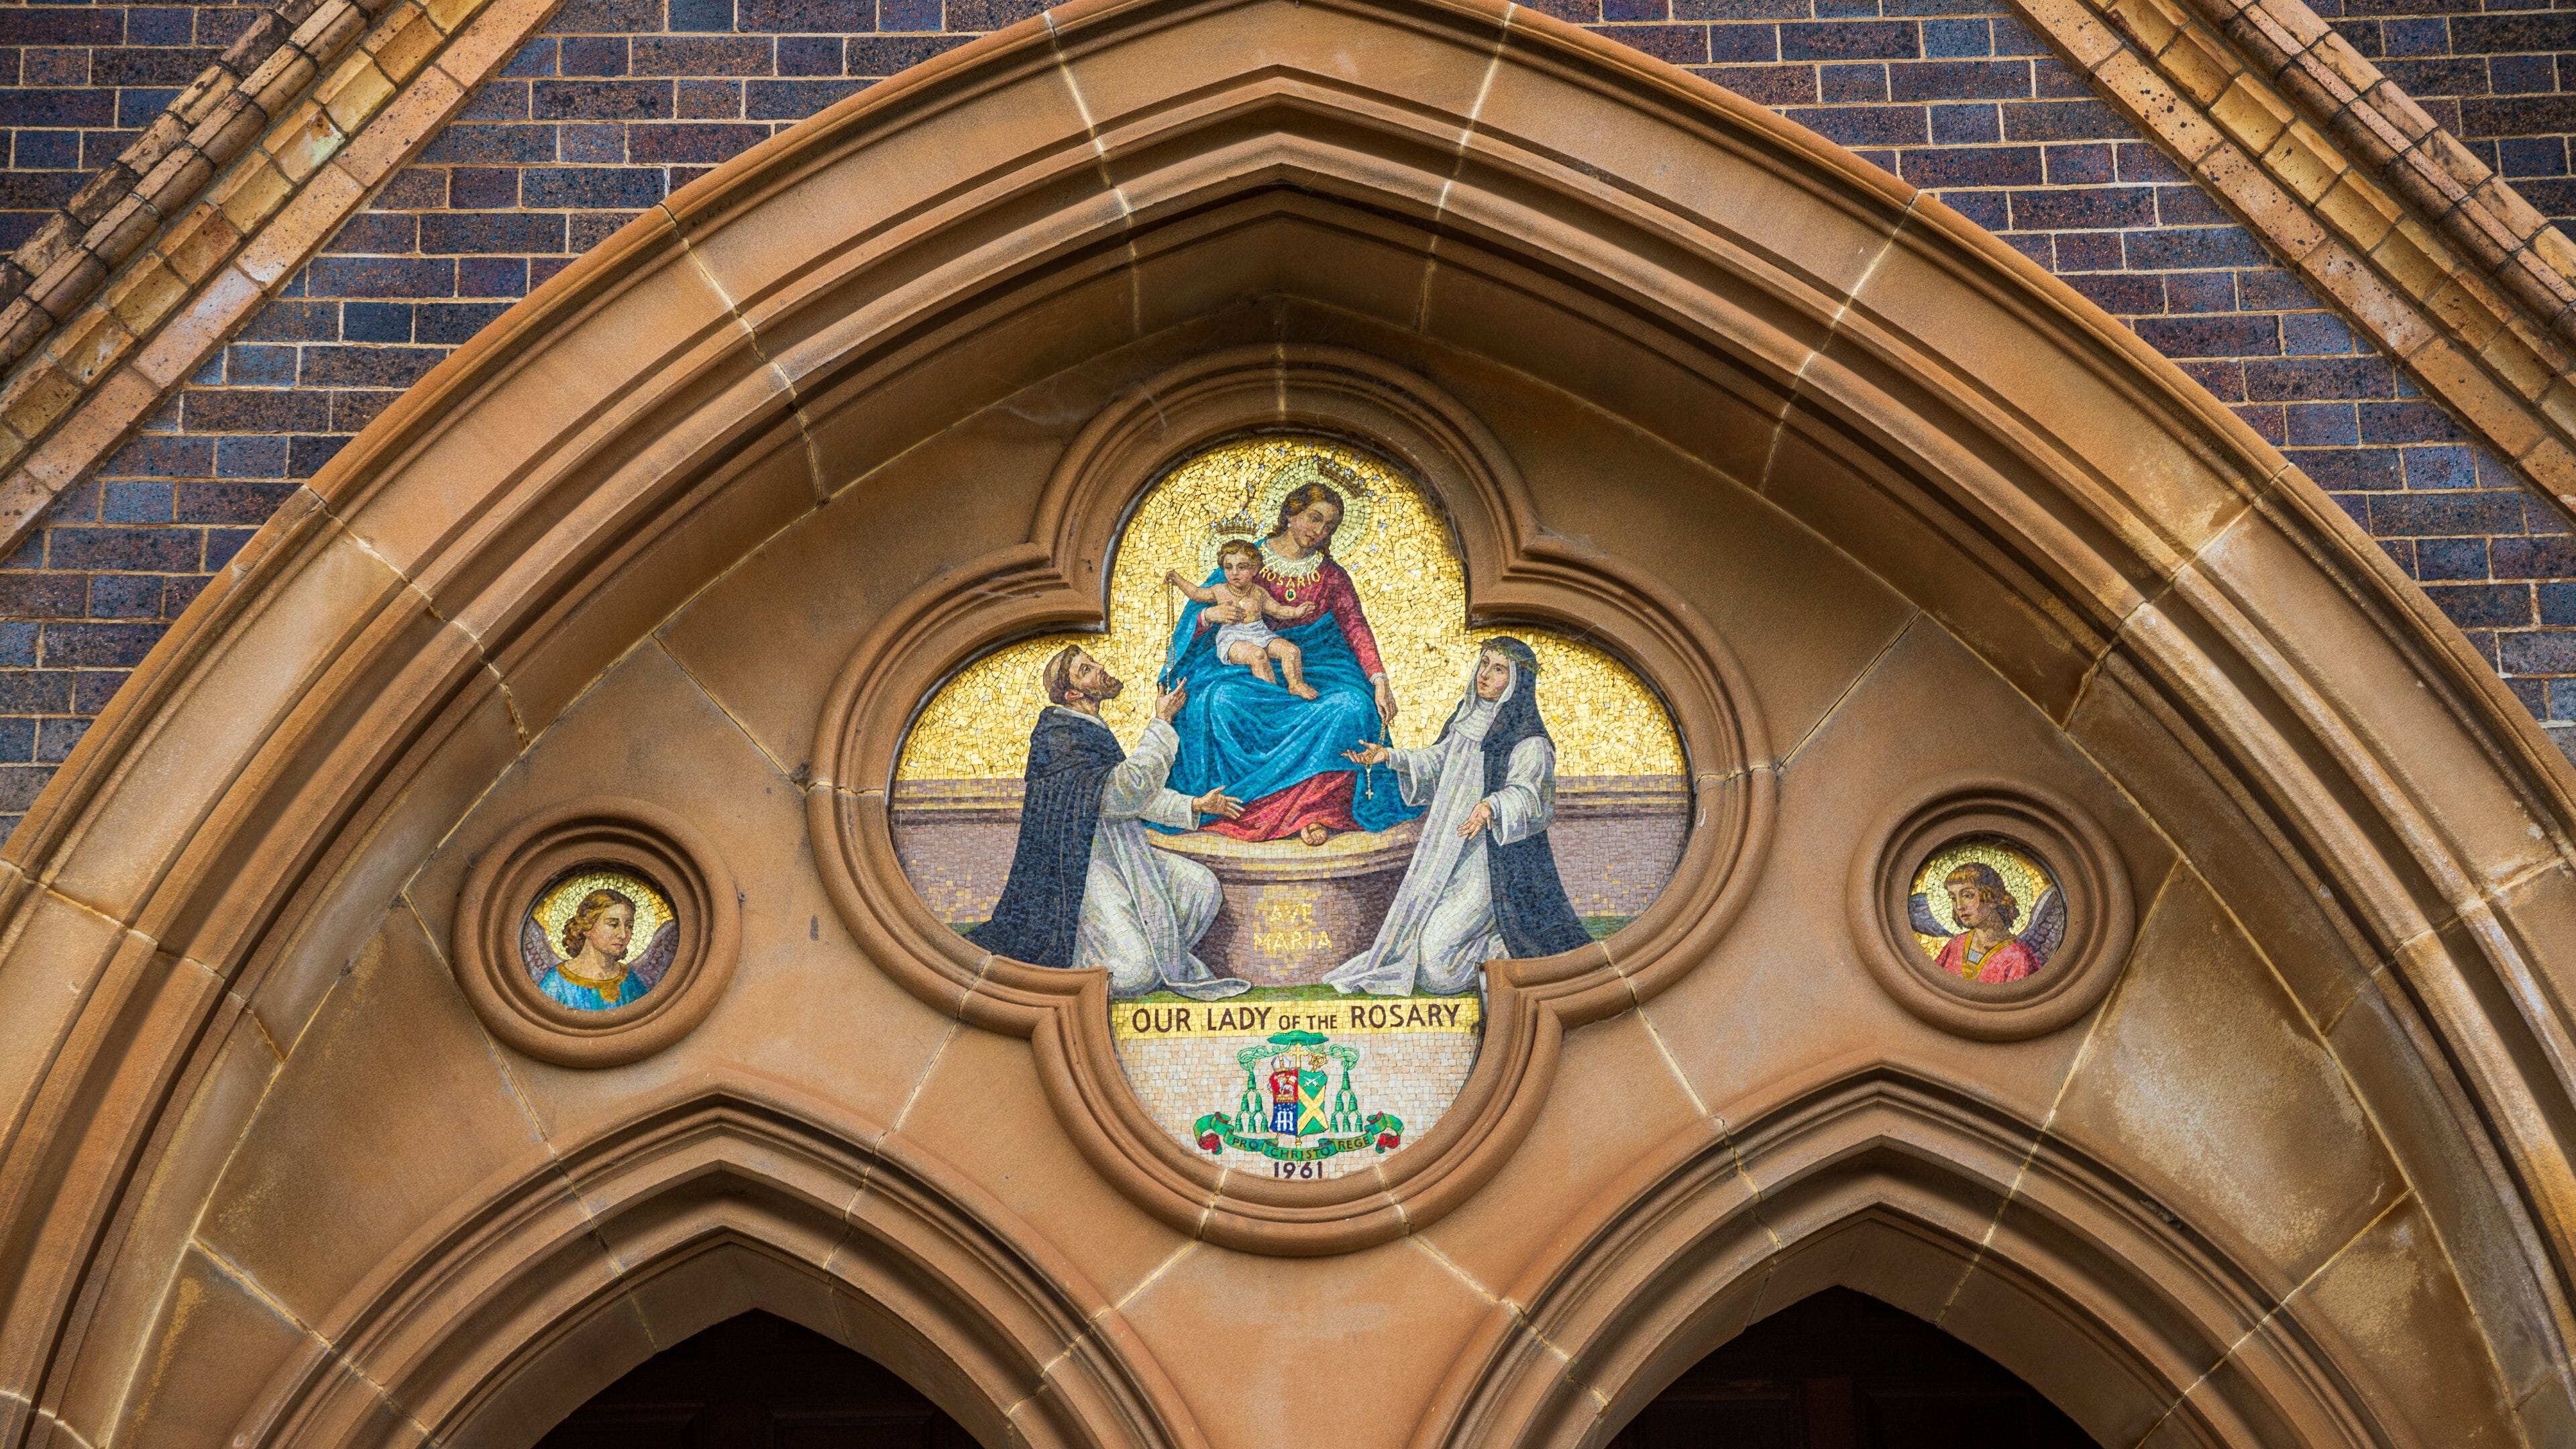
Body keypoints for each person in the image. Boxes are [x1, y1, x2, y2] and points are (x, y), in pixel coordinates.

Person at [967, 645, 1252, 1000]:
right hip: (1080, 866)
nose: (1099, 668)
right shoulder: (1060, 737)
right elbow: (1127, 791)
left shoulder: (1088, 729)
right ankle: (1091, 959)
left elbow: (1126, 795)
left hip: (1121, 849)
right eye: (1086, 670)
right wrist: (1161, 724)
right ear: (1073, 693)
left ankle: (1160, 953)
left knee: (1201, 888)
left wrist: (1194, 804)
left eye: (1093, 662)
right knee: (1135, 974)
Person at [1160, 462, 1417, 847]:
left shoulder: (1332, 576)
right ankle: (1243, 805)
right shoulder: (1245, 561)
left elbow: (1355, 626)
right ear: (1291, 514)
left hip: (1319, 671)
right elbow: (1197, 613)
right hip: (1246, 670)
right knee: (1219, 701)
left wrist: (1380, 681)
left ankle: (1316, 811)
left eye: (1330, 526)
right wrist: (1208, 616)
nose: (1320, 531)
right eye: (1315, 518)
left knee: (1351, 706)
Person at [1324, 637, 1594, 997]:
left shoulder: (1528, 739)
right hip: (1447, 854)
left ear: (1516, 682)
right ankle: (1500, 938)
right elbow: (1439, 763)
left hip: (1491, 863)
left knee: (1437, 968)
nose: (1485, 674)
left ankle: (1507, 944)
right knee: (1415, 940)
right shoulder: (1466, 719)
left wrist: (1492, 806)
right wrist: (1389, 757)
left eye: (1498, 669)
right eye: (1484, 663)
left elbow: (1534, 800)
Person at [1163, 538, 1319, 697]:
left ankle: (1296, 685)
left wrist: (1296, 612)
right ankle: (1272, 696)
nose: (1234, 573)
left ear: (1254, 569)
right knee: (1258, 655)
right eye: (1228, 567)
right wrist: (1177, 579)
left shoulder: (1259, 593)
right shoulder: (1220, 590)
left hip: (1260, 633)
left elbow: (1277, 610)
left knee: (1291, 651)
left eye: (1242, 567)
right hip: (1233, 639)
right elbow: (1196, 594)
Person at [540, 888, 651, 1010]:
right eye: (613, 925)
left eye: (629, 926)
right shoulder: (556, 982)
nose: (623, 935)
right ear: (587, 927)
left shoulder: (630, 979)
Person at [1929, 862, 2039, 983]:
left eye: (1968, 895)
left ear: (1991, 898)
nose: (1959, 906)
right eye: (1953, 898)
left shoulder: (2018, 957)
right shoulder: (1956, 945)